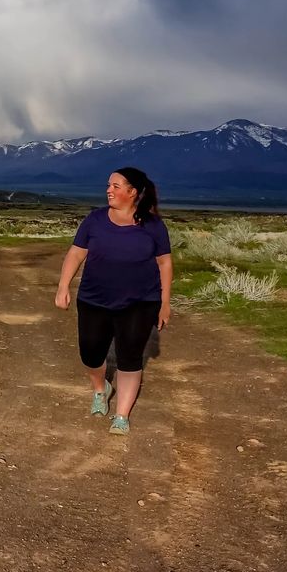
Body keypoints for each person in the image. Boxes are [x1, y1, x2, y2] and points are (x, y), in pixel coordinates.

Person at [53, 167, 173, 435]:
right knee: (91, 352)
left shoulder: (153, 225)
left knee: (130, 356)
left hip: (140, 302)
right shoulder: (95, 220)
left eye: (116, 186)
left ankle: (122, 414)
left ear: (133, 192)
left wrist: (165, 303)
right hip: (94, 299)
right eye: (109, 185)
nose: (109, 190)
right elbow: (75, 253)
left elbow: (164, 262)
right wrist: (63, 286)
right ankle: (100, 388)